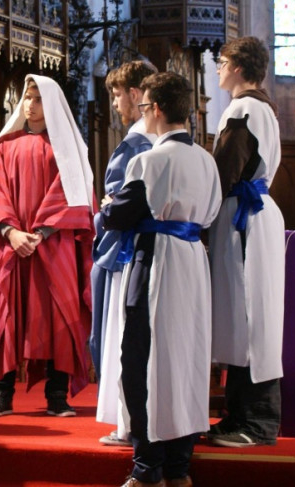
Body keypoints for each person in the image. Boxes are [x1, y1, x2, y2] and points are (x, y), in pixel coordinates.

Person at [102, 72, 221, 487]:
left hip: (156, 263)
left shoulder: (149, 161)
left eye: (143, 107)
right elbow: (210, 215)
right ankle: (178, 467)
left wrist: (107, 207)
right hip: (192, 260)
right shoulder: (206, 160)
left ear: (155, 109)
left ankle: (146, 468)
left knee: (141, 360)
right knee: (186, 360)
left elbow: (119, 215)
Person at [0, 74, 95, 418]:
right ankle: (1, 393)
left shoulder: (67, 149)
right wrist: (11, 232)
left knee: (59, 316)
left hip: (54, 247)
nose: (30, 105)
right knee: (7, 315)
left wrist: (41, 232)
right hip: (13, 247)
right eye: (27, 97)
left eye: (38, 99)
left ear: (52, 103)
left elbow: (74, 195)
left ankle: (57, 394)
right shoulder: (5, 146)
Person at [208, 36, 285, 448]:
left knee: (251, 318)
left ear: (238, 66)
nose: (218, 68)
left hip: (245, 220)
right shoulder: (260, 108)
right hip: (251, 215)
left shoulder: (243, 110)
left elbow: (224, 171)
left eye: (222, 61)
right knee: (243, 317)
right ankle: (237, 414)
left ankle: (257, 423)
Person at [91, 60, 157, 447]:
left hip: (125, 253)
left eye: (117, 95)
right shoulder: (163, 141)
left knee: (119, 338)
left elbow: (116, 205)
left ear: (135, 94)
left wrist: (104, 213)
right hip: (156, 250)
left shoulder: (135, 144)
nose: (115, 104)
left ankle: (127, 421)